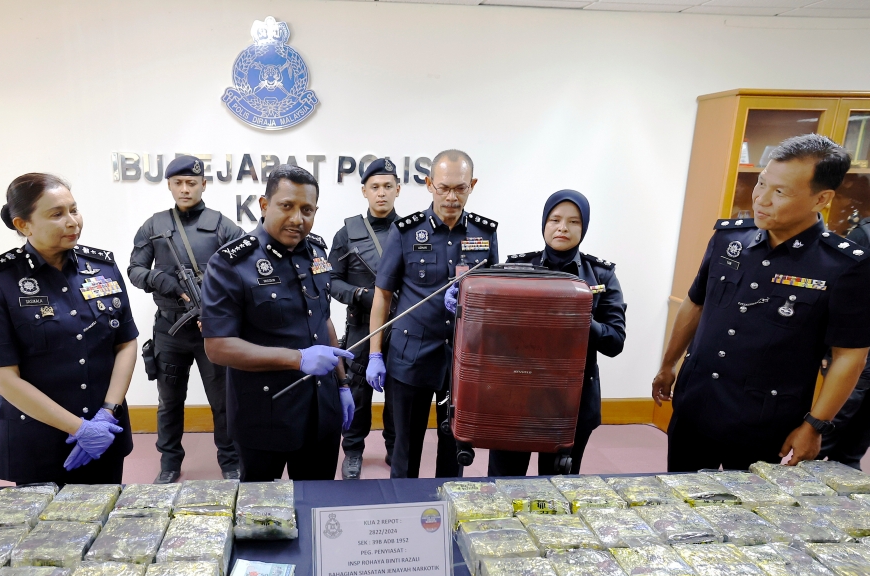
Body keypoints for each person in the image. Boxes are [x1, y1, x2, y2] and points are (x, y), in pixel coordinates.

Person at [652, 134, 870, 471]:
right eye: (761, 183)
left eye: (780, 192)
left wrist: (815, 425)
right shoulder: (729, 239)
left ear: (821, 199)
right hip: (696, 403)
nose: (761, 199)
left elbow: (849, 355)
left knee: (747, 504)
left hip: (765, 421)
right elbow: (695, 303)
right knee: (679, 495)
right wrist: (668, 364)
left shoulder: (843, 266)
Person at [0, 173, 138, 485]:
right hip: (36, 441)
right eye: (57, 214)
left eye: (74, 210)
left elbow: (126, 342)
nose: (72, 222)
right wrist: (79, 428)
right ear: (23, 225)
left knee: (108, 513)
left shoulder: (101, 267)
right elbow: (2, 377)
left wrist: (107, 413)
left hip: (104, 434)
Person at [200, 164, 356, 482]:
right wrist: (297, 359)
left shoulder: (317, 253)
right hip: (264, 415)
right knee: (261, 509)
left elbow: (323, 319)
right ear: (263, 205)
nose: (297, 219)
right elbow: (217, 347)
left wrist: (342, 384)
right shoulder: (231, 263)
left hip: (320, 412)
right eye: (287, 206)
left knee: (317, 504)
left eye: (307, 210)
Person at [368, 149, 499, 479]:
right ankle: (402, 505)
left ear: (472, 186)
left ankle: (446, 504)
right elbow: (382, 295)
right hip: (410, 356)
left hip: (459, 359)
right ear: (429, 184)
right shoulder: (406, 231)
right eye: (444, 188)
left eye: (460, 188)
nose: (452, 197)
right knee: (406, 448)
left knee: (454, 445)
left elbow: (493, 296)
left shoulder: (484, 234)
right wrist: (374, 354)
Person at [476, 189, 626, 477]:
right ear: (544, 223)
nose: (562, 228)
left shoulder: (601, 275)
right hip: (516, 396)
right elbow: (492, 332)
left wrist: (581, 317)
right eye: (555, 220)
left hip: (570, 402)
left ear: (584, 227)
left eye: (573, 222)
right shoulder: (517, 267)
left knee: (556, 488)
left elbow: (615, 341)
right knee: (503, 482)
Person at [128, 155, 244, 483]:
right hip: (170, 329)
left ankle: (230, 461)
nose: (184, 189)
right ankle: (169, 463)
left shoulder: (223, 225)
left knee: (223, 402)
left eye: (191, 183)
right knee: (169, 401)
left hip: (213, 329)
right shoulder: (154, 226)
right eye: (178, 183)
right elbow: (134, 270)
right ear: (169, 185)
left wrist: (220, 308)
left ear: (203, 184)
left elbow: (245, 272)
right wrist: (159, 279)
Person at [328, 157, 399, 479]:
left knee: (399, 395)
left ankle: (395, 448)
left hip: (401, 327)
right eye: (375, 187)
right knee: (358, 393)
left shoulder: (410, 230)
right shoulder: (347, 233)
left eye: (387, 186)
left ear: (397, 190)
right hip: (360, 327)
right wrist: (359, 294)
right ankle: (353, 451)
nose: (381, 193)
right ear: (364, 191)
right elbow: (330, 280)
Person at [819, 217, 870, 469]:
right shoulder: (864, 236)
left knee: (855, 446)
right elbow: (838, 294)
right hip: (855, 351)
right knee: (825, 433)